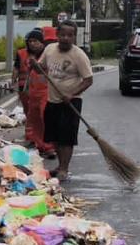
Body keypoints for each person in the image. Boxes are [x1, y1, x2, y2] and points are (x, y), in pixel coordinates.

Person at [34, 21, 93, 181]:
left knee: (67, 138)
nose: (66, 38)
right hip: (52, 100)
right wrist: (34, 65)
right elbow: (40, 68)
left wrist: (72, 94)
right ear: (57, 35)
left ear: (74, 37)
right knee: (54, 136)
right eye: (63, 35)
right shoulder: (49, 49)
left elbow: (88, 80)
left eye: (70, 35)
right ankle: (60, 165)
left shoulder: (79, 55)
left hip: (71, 102)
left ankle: (64, 169)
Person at [14, 29, 53, 157]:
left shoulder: (47, 55)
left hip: (46, 92)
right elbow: (28, 74)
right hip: (33, 93)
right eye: (30, 41)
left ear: (42, 42)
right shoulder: (29, 55)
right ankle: (39, 144)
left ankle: (49, 146)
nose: (32, 44)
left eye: (35, 41)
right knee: (34, 119)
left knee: (45, 118)